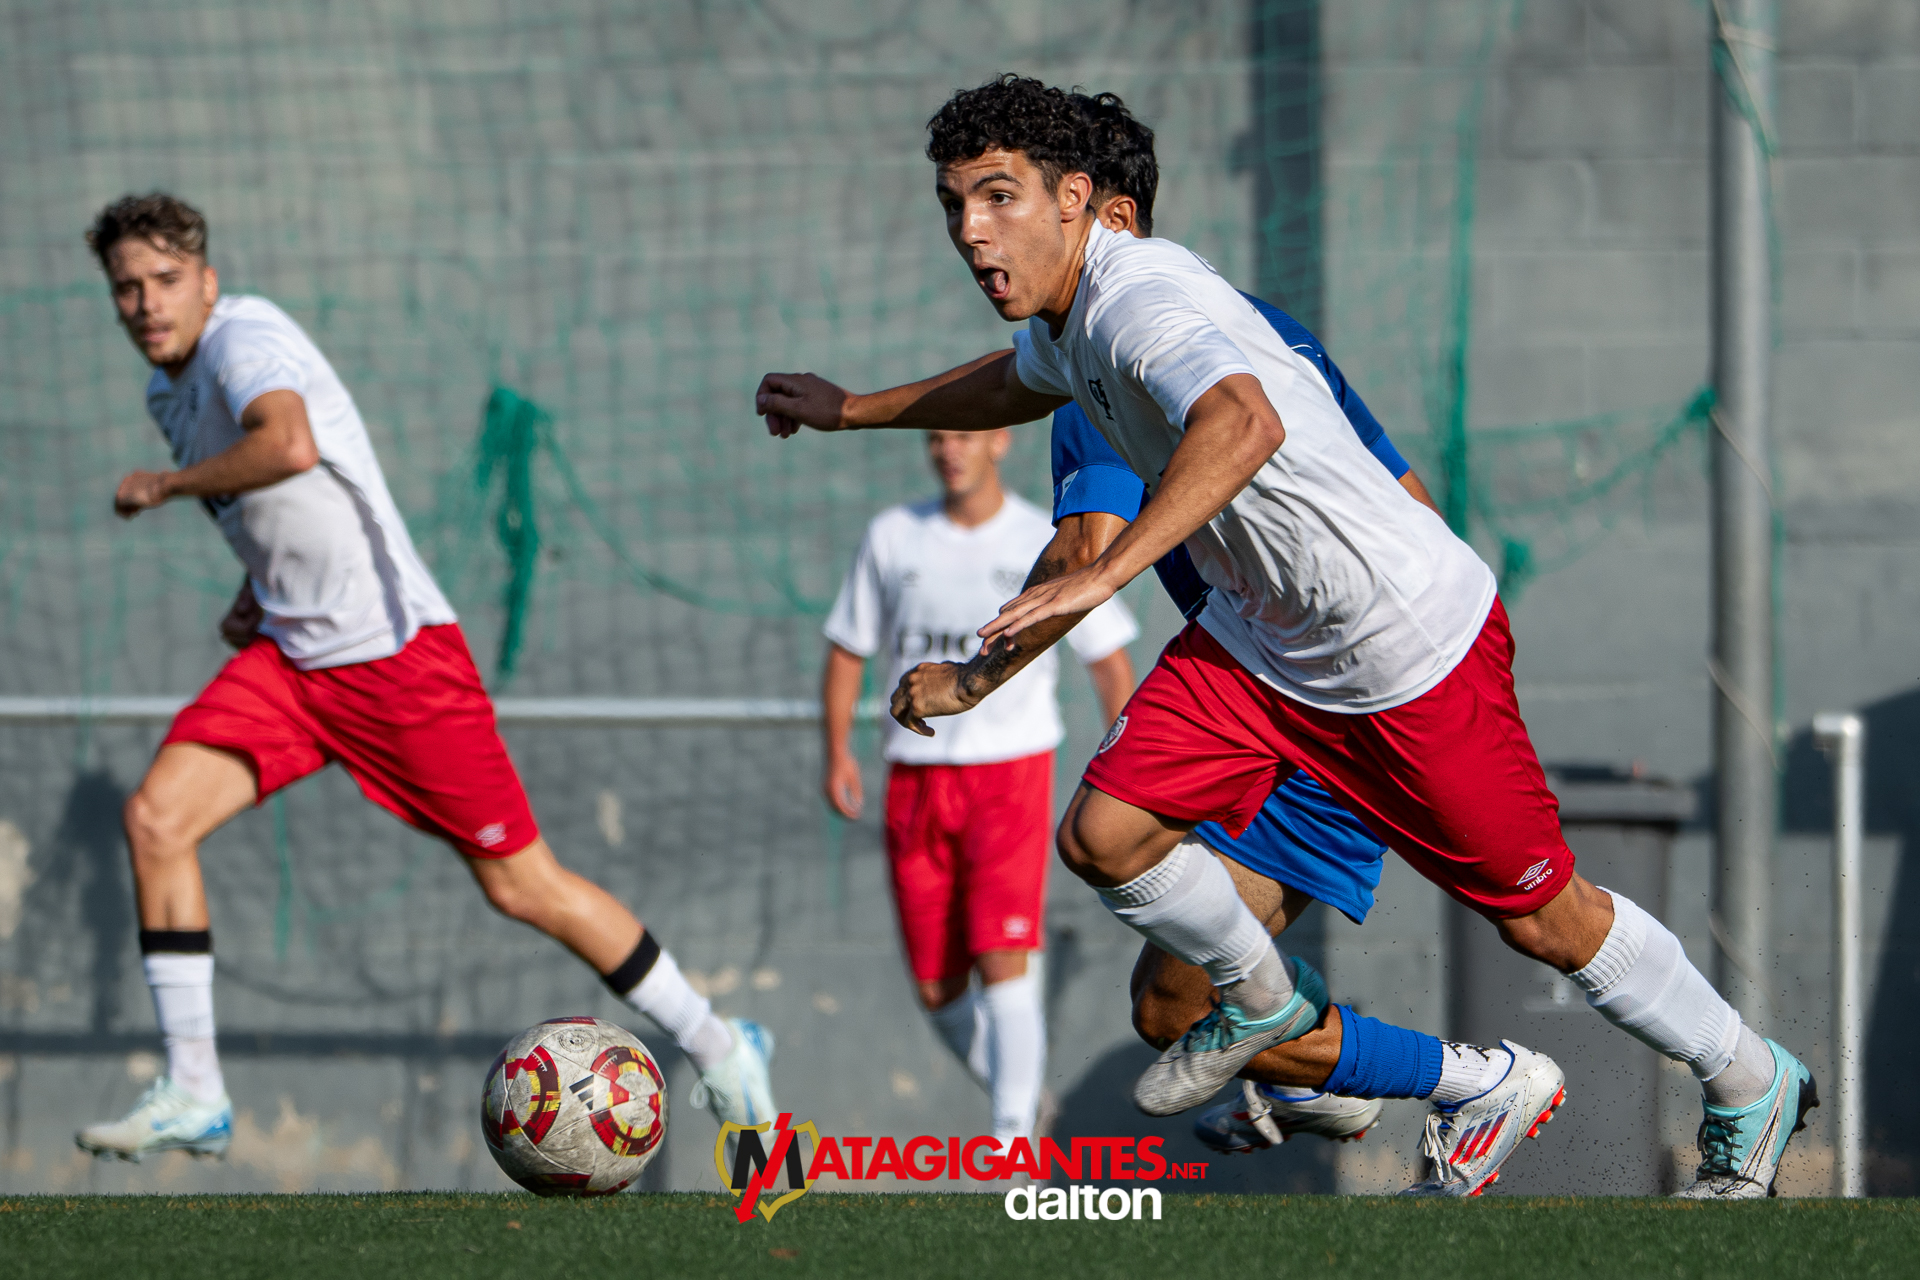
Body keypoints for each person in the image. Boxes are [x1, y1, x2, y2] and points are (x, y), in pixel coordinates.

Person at [756, 77, 1814, 1199]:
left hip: (1401, 652)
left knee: (1547, 924)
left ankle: (1746, 1076)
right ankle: (1279, 1017)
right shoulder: (1075, 326)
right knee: (1108, 838)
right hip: (1266, 649)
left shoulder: (1140, 305)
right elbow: (1018, 380)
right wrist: (853, 407)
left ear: (1085, 203)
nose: (971, 230)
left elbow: (1241, 423)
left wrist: (1077, 596)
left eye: (998, 198)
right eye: (954, 203)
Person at [75, 193, 776, 1162]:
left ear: (206, 281)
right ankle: (195, 1089)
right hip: (291, 659)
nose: (146, 302)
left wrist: (161, 486)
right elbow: (278, 506)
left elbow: (288, 445)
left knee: (524, 885)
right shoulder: (169, 395)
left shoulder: (245, 336)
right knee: (156, 817)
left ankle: (719, 1042)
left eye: (163, 281)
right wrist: (254, 587)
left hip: (396, 659)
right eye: (126, 288)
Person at [821, 427, 1137, 1144]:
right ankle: (1023, 1102)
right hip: (915, 779)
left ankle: (1010, 1143)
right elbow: (848, 647)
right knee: (939, 989)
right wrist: (837, 750)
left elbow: (1110, 659)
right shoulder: (894, 536)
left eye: (963, 434)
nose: (948, 449)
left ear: (998, 441)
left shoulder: (1044, 538)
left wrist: (1121, 758)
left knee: (1004, 955)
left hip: (1010, 775)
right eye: (936, 437)